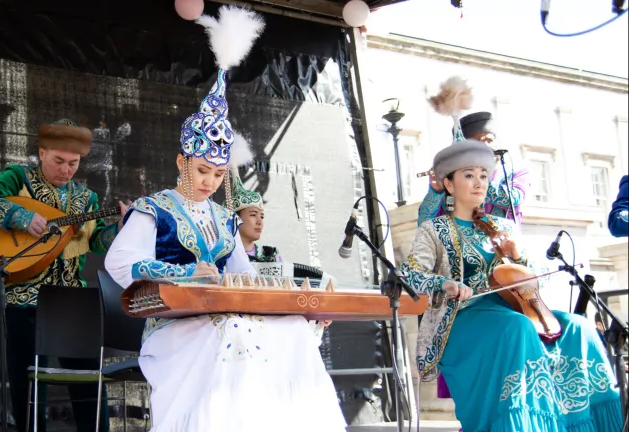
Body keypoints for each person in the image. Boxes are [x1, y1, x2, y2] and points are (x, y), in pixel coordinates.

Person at [104, 6, 345, 432]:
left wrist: (294, 303)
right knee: (232, 331)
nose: (209, 182)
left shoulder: (222, 218)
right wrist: (181, 271)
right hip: (172, 326)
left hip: (222, 317)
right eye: (201, 171)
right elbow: (119, 262)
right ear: (182, 161)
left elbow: (243, 277)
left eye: (217, 174)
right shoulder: (154, 208)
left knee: (289, 330)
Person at [400, 140, 622, 431]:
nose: (479, 183)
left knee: (577, 326)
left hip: (515, 310)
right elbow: (410, 274)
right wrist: (446, 283)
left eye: (483, 175)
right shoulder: (435, 229)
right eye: (468, 175)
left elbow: (531, 277)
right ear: (449, 185)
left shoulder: (503, 226)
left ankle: (587, 423)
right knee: (516, 328)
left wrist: (519, 255)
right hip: (462, 318)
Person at [0, 119, 127, 432]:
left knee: (89, 385)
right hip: (25, 299)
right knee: (27, 385)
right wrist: (21, 216)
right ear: (41, 153)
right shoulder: (18, 178)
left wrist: (121, 229)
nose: (66, 170)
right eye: (58, 161)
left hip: (72, 301)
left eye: (73, 163)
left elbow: (96, 242)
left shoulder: (86, 198)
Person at [418, 111, 530, 226]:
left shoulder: (516, 172)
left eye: (489, 140)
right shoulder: (455, 180)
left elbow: (512, 199)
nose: (486, 146)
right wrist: (436, 192)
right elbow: (424, 224)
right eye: (479, 142)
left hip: (502, 242)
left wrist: (480, 173)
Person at [231, 172, 282, 263]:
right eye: (253, 215)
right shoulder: (222, 257)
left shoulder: (271, 257)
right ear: (235, 219)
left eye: (262, 216)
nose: (259, 222)